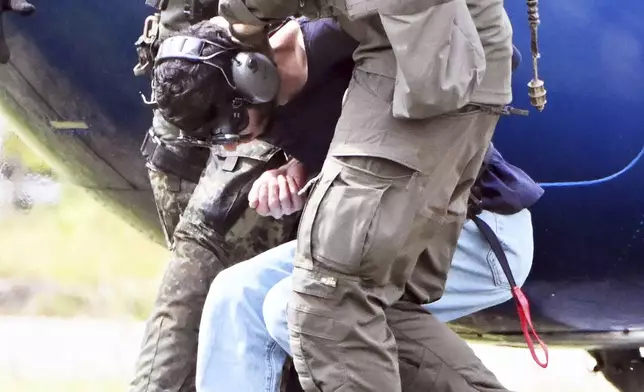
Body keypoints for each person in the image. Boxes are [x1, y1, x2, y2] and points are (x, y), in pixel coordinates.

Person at [149, 16, 541, 392]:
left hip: (475, 234)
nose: (233, 145)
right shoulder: (271, 99)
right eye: (218, 140)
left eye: (230, 127)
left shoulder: (341, 39)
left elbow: (471, 65)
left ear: (255, 75)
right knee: (235, 294)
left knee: (306, 308)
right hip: (387, 229)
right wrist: (296, 169)